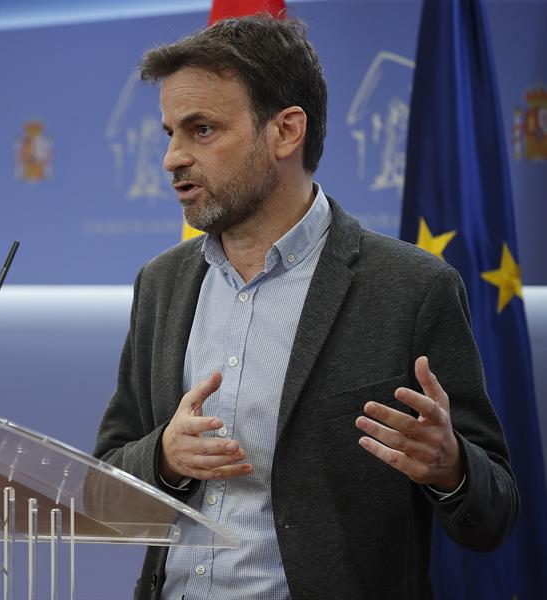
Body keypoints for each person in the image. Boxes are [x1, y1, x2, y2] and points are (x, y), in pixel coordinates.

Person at [93, 16, 517, 600]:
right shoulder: (161, 286)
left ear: (286, 130)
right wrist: (163, 457)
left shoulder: (411, 288)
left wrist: (451, 468)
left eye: (202, 130)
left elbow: (494, 514)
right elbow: (104, 486)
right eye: (170, 132)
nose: (172, 157)